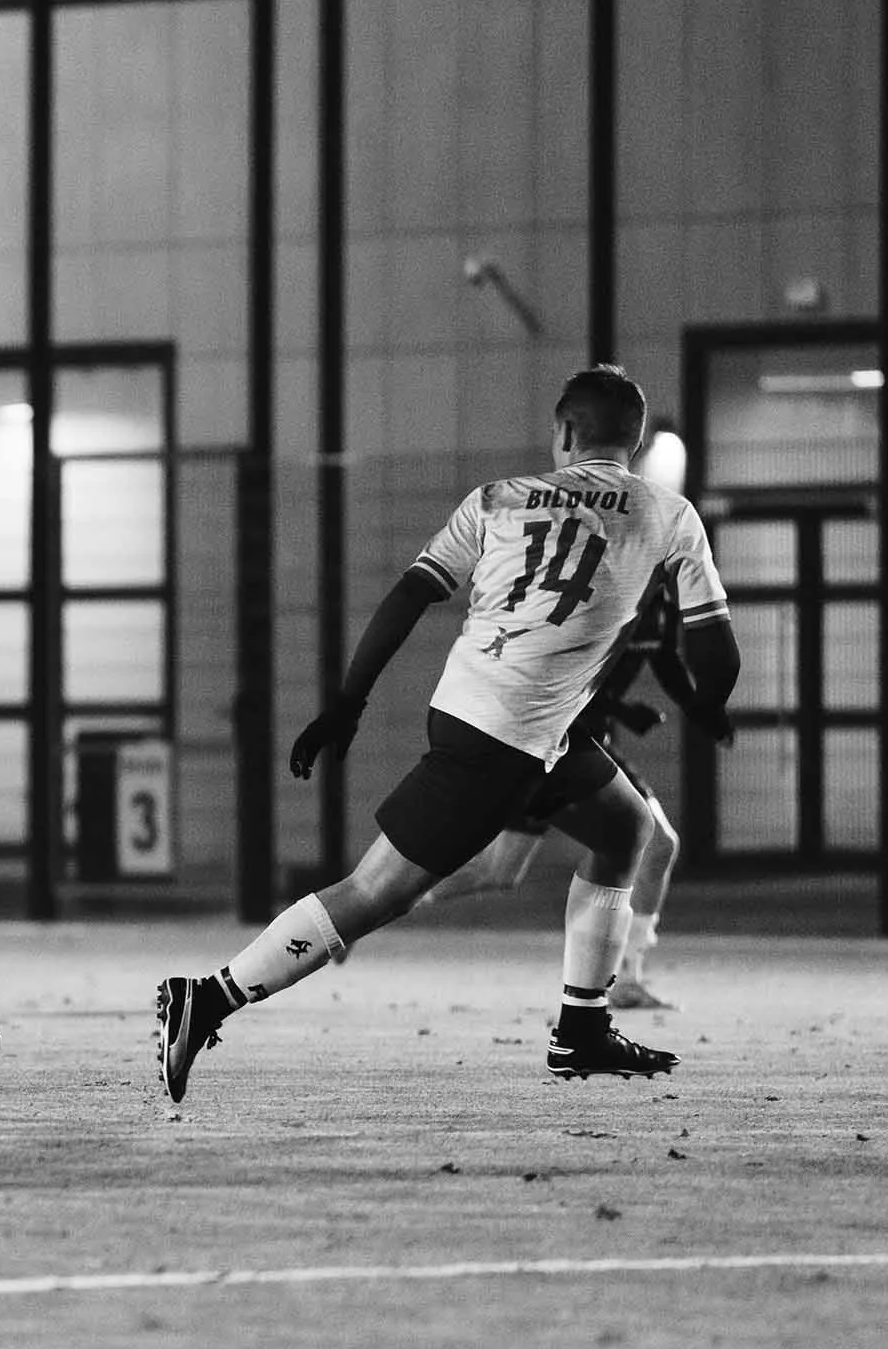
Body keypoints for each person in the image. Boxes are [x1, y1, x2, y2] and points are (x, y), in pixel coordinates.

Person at [153, 366, 739, 1102]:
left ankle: (582, 1029)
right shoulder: (669, 513)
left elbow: (411, 592)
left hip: (510, 719)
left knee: (626, 827)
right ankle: (205, 998)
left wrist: (348, 702)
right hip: (503, 735)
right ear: (637, 438)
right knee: (375, 892)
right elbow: (715, 655)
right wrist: (712, 698)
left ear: (564, 432)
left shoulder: (497, 499)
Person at [412, 571, 692, 1008]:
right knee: (502, 871)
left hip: (590, 744)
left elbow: (669, 662)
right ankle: (383, 898)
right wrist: (624, 708)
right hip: (551, 740)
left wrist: (705, 707)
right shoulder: (599, 592)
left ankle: (625, 978)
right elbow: (561, 670)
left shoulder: (660, 605)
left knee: (502, 871)